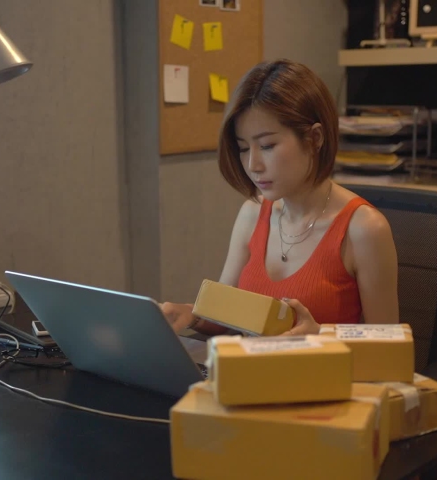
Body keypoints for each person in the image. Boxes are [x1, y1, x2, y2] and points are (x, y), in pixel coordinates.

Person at [161, 59, 399, 336]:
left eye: (267, 146)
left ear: (314, 138)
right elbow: (223, 315)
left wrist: (320, 335)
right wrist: (189, 315)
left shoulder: (364, 229)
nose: (253, 165)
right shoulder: (252, 213)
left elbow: (390, 346)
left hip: (323, 366)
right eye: (243, 148)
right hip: (249, 363)